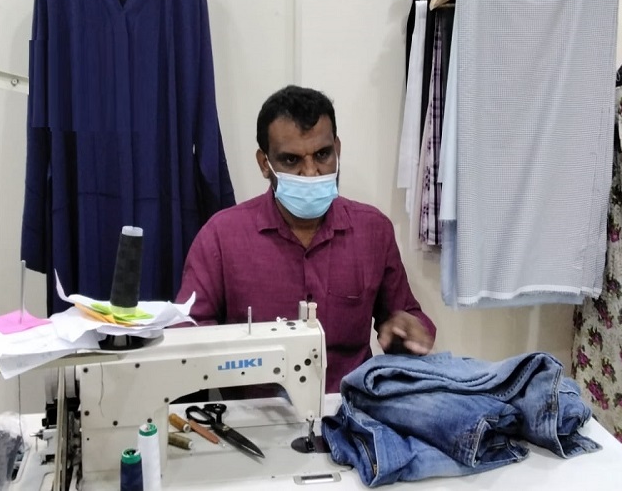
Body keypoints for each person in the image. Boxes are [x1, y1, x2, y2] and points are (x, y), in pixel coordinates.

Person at [175, 85, 436, 393]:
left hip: (352, 406)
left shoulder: (373, 231)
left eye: (323, 155)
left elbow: (405, 315)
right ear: (264, 164)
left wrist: (409, 330)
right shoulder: (222, 237)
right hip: (255, 412)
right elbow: (187, 331)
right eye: (291, 160)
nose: (311, 172)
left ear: (337, 149)